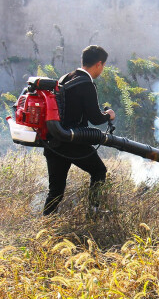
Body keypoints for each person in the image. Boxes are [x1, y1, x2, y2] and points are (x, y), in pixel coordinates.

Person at [43, 45, 115, 216]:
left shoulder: (64, 78)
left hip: (53, 140)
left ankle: (45, 222)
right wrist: (109, 115)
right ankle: (94, 211)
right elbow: (96, 118)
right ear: (99, 64)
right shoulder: (86, 84)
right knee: (99, 171)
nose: (102, 69)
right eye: (103, 66)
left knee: (56, 190)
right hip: (72, 141)